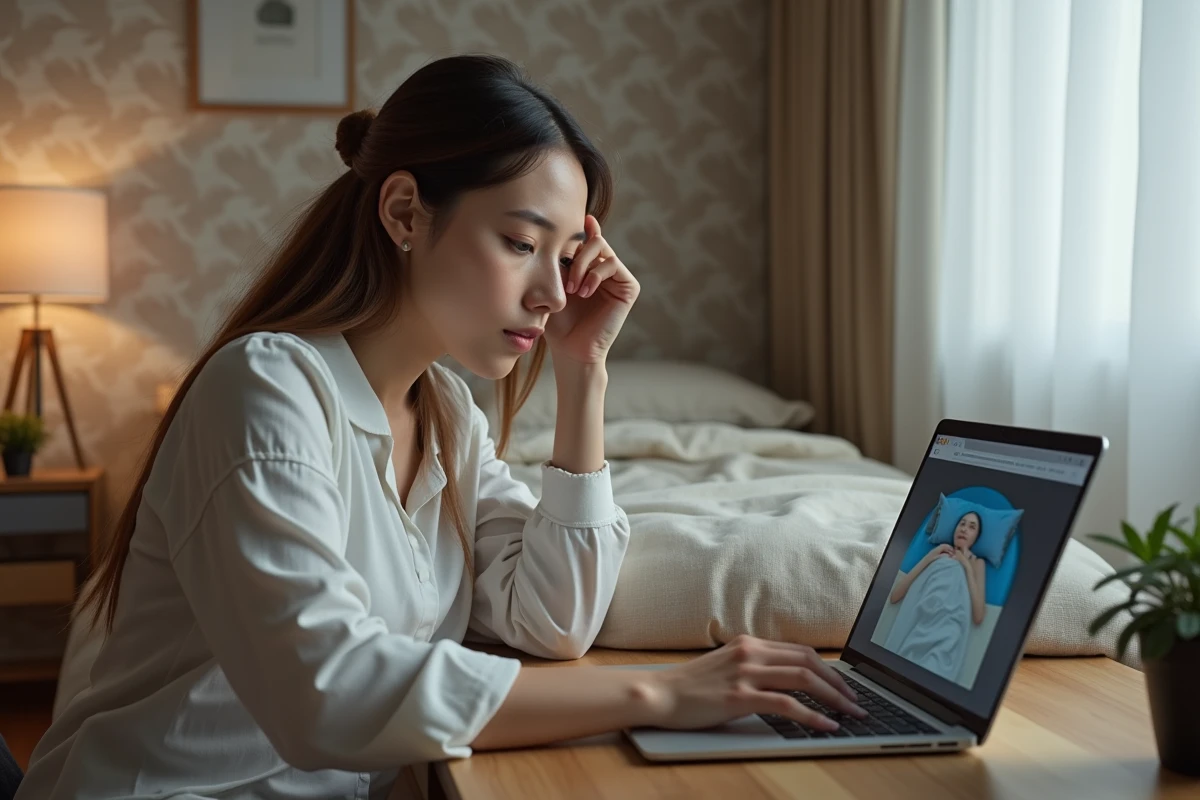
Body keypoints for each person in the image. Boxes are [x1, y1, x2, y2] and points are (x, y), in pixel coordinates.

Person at [16, 55, 863, 800]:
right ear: (404, 213)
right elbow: (328, 695)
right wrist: (663, 692)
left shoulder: (448, 414)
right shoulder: (265, 387)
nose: (555, 293)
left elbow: (552, 618)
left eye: (566, 256)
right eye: (520, 243)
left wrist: (582, 374)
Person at [890, 511, 988, 625]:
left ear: (976, 537)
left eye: (971, 527)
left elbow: (978, 617)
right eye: (962, 524)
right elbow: (895, 596)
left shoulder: (977, 563)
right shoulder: (939, 554)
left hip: (948, 628)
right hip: (920, 621)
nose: (964, 529)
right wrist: (930, 556)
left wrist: (966, 565)